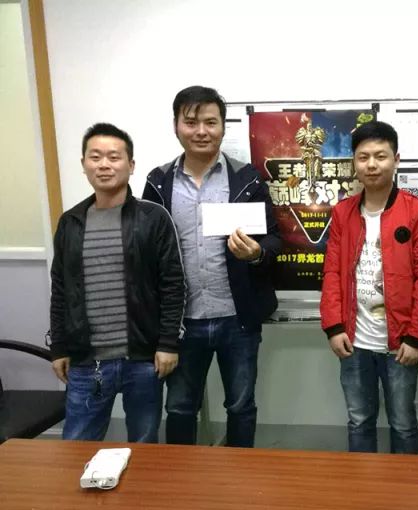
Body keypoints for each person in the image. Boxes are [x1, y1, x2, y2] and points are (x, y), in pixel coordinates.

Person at [143, 86, 282, 447]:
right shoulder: (158, 182)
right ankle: (180, 476)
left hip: (237, 317)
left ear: (222, 126)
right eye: (191, 122)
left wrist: (256, 253)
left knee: (241, 405)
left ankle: (240, 475)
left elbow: (274, 239)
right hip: (181, 322)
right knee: (179, 407)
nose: (201, 131)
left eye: (210, 122)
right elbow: (145, 251)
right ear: (176, 126)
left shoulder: (247, 178)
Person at [50, 123, 184, 442]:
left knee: (143, 445)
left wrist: (168, 344)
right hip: (87, 361)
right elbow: (61, 289)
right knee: (77, 446)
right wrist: (58, 347)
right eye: (95, 157)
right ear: (84, 164)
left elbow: (173, 285)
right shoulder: (71, 222)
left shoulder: (153, 218)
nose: (104, 165)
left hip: (142, 359)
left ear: (131, 165)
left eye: (114, 157)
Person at [320, 120, 418, 453]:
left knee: (403, 422)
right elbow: (332, 272)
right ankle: (363, 484)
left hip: (400, 343)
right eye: (363, 157)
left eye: (380, 156)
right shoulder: (343, 212)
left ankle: (404, 485)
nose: (371, 164)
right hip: (354, 340)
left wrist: (417, 337)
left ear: (396, 160)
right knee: (359, 420)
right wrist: (333, 327)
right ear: (354, 163)